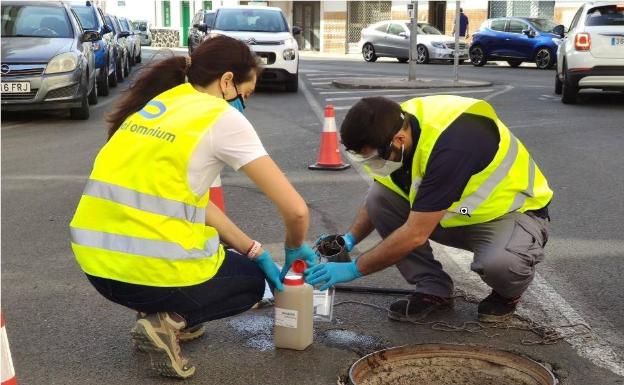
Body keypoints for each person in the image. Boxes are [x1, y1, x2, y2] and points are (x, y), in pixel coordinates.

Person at [69, 36, 317, 379]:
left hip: (97, 268)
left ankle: (163, 313)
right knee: (249, 283)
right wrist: (293, 248)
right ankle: (168, 320)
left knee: (237, 261)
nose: (244, 105)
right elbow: (297, 211)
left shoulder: (161, 104)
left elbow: (194, 205)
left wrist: (254, 250)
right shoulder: (219, 116)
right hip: (144, 272)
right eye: (245, 96)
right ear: (227, 82)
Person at [305, 95, 552, 324]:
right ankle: (433, 289)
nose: (373, 166)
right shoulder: (396, 123)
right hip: (454, 213)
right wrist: (348, 240)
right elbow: (383, 193)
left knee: (500, 263)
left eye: (374, 159)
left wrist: (353, 269)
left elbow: (415, 233)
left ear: (399, 141)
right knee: (380, 197)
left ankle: (507, 294)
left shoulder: (453, 146)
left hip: (508, 214)